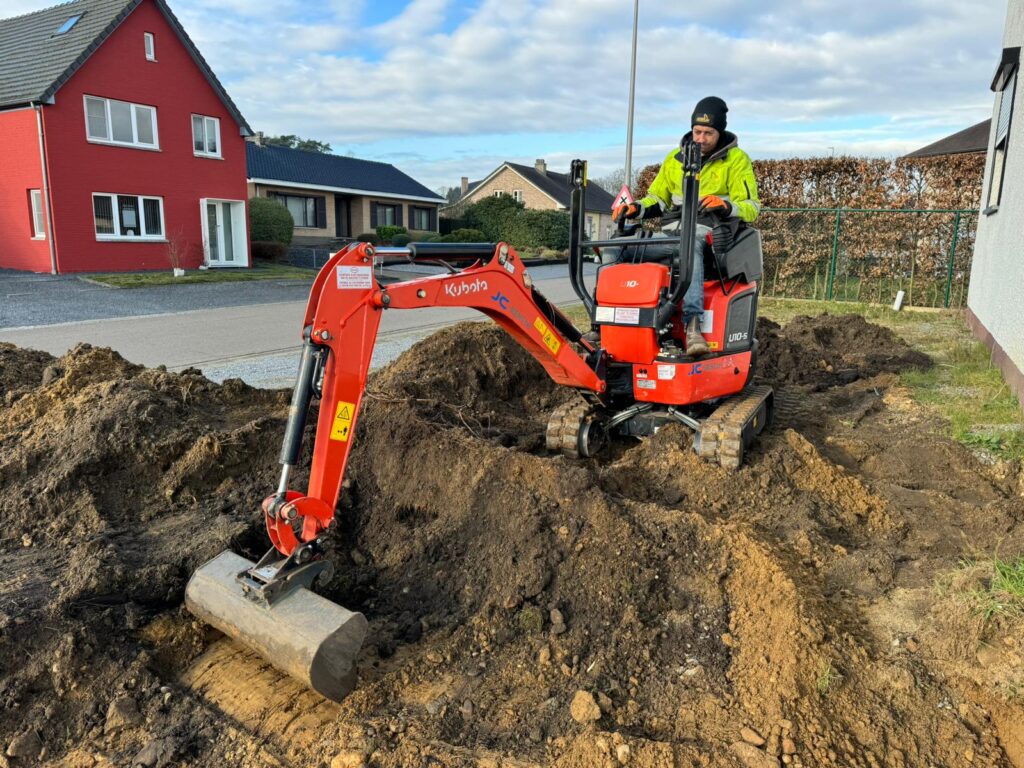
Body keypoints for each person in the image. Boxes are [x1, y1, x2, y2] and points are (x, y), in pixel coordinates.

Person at [611, 96, 761, 356]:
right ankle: (608, 319)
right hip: (670, 233)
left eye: (708, 133)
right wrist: (637, 208)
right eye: (697, 131)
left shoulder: (736, 160)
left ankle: (693, 325)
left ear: (720, 131)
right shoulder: (674, 159)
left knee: (688, 244)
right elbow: (657, 198)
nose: (701, 138)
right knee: (617, 246)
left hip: (708, 233)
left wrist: (725, 207)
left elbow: (752, 205)